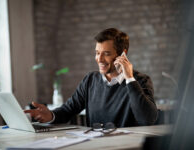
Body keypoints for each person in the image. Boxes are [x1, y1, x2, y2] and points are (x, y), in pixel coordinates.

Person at [24, 28, 158, 127]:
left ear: (123, 54)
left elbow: (147, 119)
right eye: (97, 53)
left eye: (106, 53)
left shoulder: (140, 81)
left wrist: (129, 78)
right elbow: (68, 109)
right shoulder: (90, 80)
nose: (99, 59)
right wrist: (51, 115)